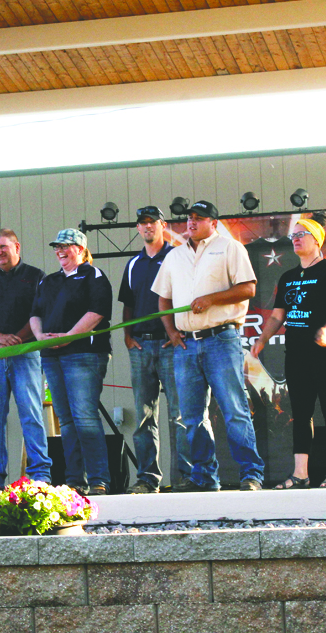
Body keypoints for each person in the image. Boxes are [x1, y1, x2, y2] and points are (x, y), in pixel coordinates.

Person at [152, 200, 265, 492]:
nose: (192, 222)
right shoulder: (174, 255)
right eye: (189, 218)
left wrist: (211, 299)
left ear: (213, 223)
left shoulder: (230, 248)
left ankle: (251, 474)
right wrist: (171, 331)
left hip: (221, 339)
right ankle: (204, 477)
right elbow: (163, 298)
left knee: (233, 409)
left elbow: (248, 288)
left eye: (199, 218)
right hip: (187, 345)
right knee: (191, 415)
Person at [251, 212, 326, 489]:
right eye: (292, 236)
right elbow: (276, 316)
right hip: (297, 352)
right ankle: (300, 474)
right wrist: (262, 339)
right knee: (301, 412)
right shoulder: (289, 277)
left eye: (300, 235)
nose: (294, 240)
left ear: (316, 240)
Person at [30, 228, 114, 496]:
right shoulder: (48, 281)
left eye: (66, 246)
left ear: (80, 248)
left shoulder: (94, 275)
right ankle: (74, 480)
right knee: (65, 420)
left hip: (83, 354)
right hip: (52, 356)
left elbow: (98, 312)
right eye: (57, 246)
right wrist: (40, 337)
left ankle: (99, 479)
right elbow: (35, 314)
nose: (60, 251)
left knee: (84, 417)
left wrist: (68, 337)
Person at [0, 229, 51, 487]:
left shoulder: (36, 276)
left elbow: (41, 313)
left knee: (32, 415)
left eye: (3, 247)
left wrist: (17, 339)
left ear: (17, 247)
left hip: (27, 355)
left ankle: (40, 476)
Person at [119, 206, 190, 494]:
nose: (147, 227)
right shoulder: (134, 263)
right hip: (140, 345)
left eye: (152, 222)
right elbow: (128, 303)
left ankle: (185, 478)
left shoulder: (177, 255)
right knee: (144, 415)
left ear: (162, 225)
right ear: (138, 228)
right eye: (142, 223)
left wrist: (175, 332)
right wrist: (126, 335)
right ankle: (148, 479)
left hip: (170, 343)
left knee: (179, 414)